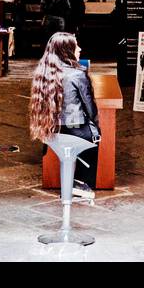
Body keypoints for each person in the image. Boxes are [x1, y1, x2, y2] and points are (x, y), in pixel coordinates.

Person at [28, 32, 99, 197]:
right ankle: (81, 183)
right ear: (67, 50)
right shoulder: (78, 74)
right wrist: (96, 125)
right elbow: (90, 108)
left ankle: (70, 181)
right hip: (75, 131)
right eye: (76, 46)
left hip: (51, 133)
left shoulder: (43, 73)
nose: (80, 49)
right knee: (96, 138)